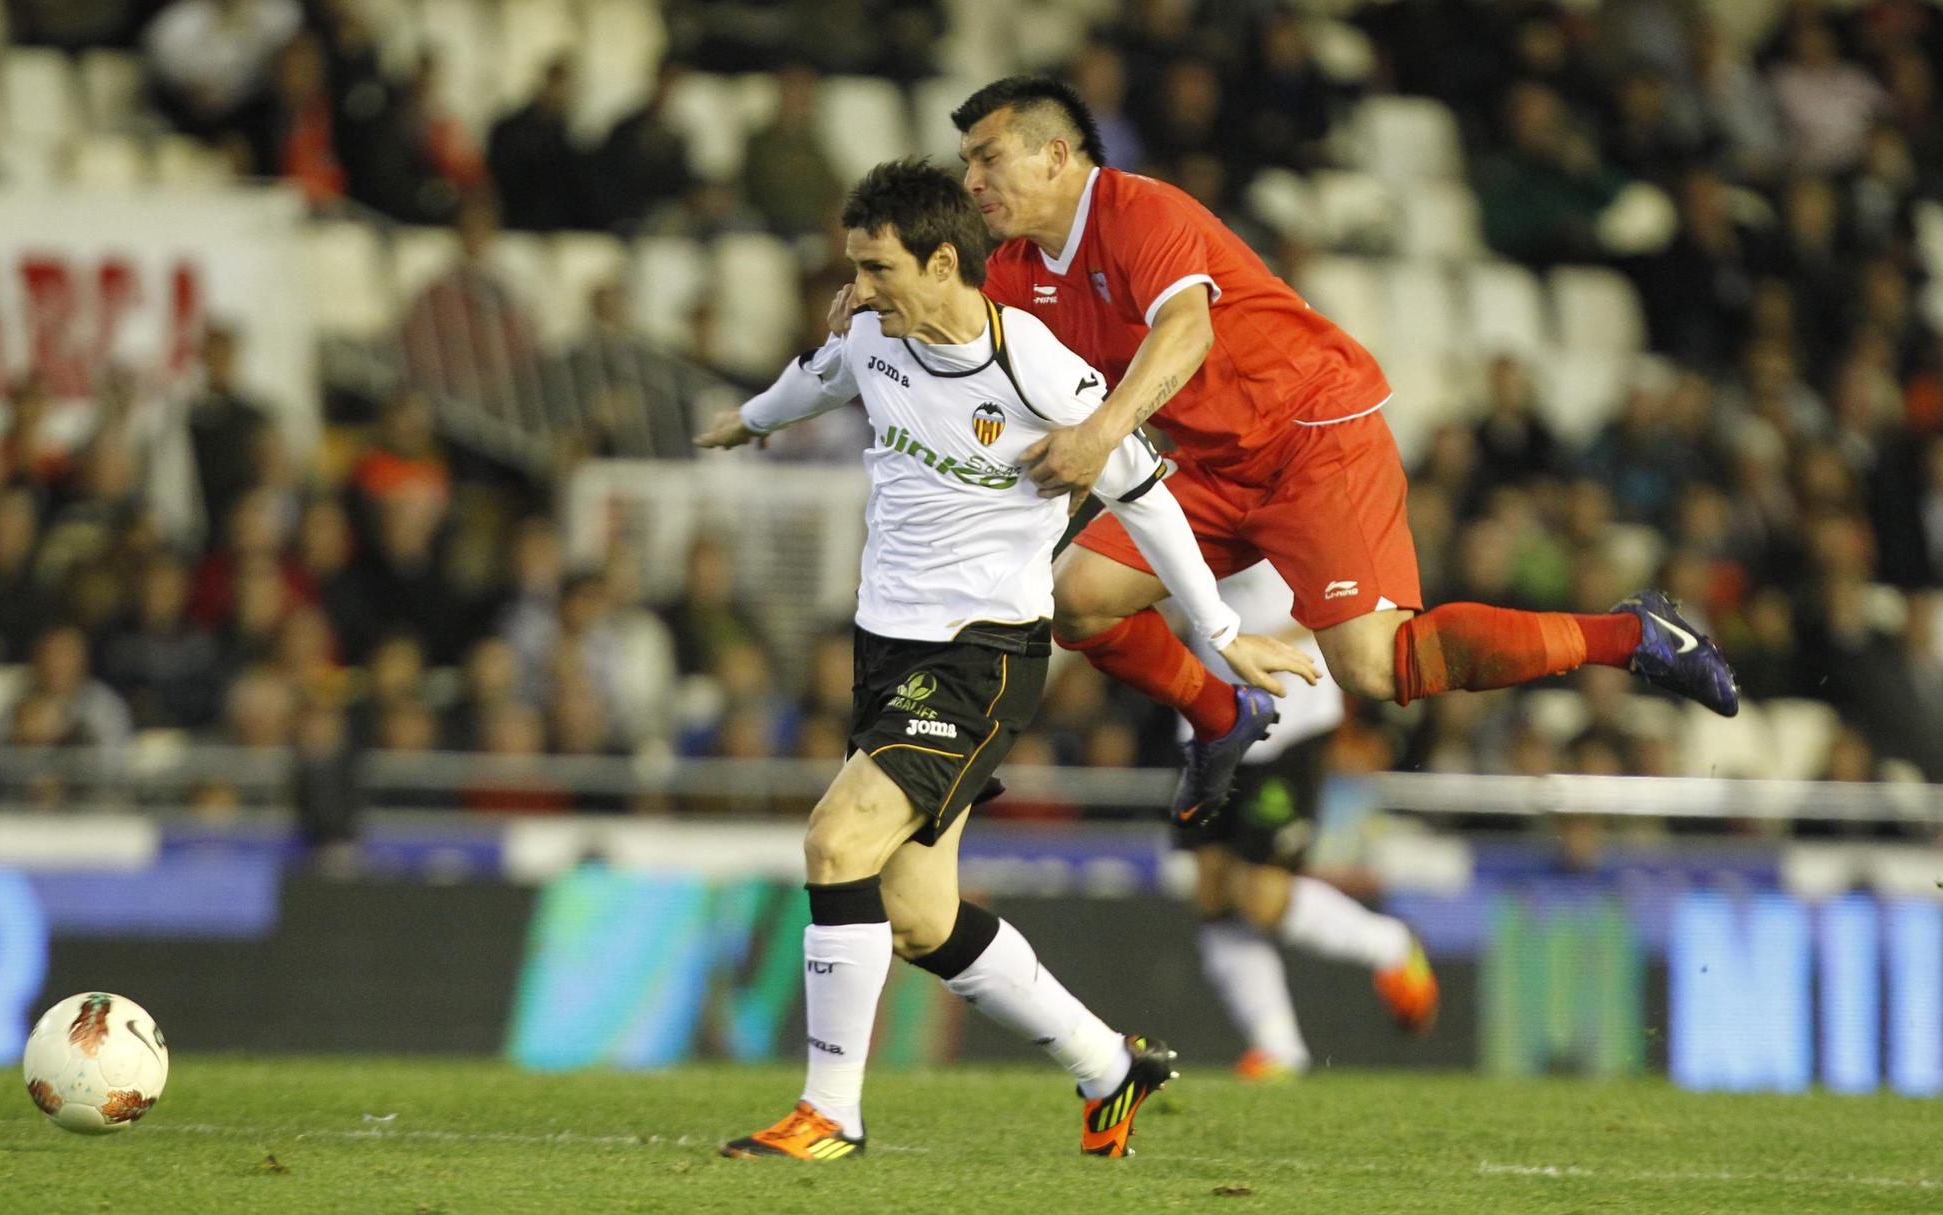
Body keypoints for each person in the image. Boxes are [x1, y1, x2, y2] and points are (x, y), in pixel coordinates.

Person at [694, 159, 1319, 1161]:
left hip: (978, 658)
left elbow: (1144, 494)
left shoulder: (1034, 368)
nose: (858, 287)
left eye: (876, 267)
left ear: (944, 262)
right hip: (886, 648)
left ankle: (830, 1116)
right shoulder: (871, 334)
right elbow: (812, 379)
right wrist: (746, 423)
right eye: (852, 266)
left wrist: (1216, 630)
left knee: (834, 842)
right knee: (917, 919)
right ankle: (1109, 1066)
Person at [923, 76, 1737, 830]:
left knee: (1376, 670)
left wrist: (1100, 437)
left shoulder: (1142, 211)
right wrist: (874, 303)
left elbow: (1187, 328)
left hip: (1316, 437)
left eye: (988, 158)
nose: (973, 182)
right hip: (1214, 464)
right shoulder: (1020, 269)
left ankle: (1635, 637)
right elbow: (947, 321)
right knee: (1081, 601)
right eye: (966, 164)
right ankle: (1221, 715)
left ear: (1055, 154)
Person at [1176, 562, 1437, 1080]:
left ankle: (1390, 945)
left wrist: (1259, 639)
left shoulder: (1301, 496)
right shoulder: (1180, 488)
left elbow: (1365, 600)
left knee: (1260, 894)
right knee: (1210, 888)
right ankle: (1278, 1049)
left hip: (1288, 718)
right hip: (1204, 711)